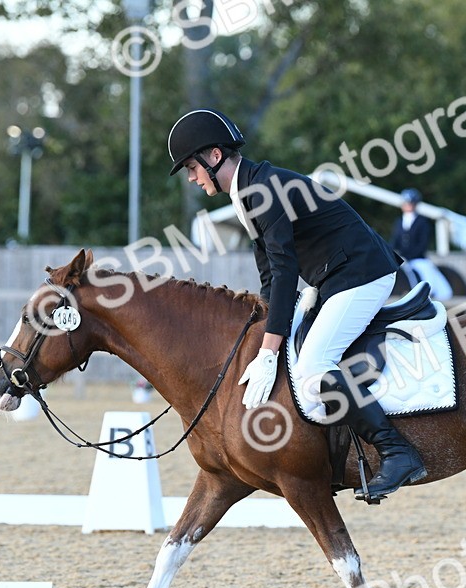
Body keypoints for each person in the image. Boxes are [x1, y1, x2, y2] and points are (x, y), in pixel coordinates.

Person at [166, 108, 426, 499]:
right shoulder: (247, 190)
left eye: (191, 167)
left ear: (214, 156)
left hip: (363, 274)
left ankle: (396, 451)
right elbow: (269, 273)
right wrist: (262, 327)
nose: (191, 177)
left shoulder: (262, 190)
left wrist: (269, 349)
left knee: (313, 368)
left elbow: (286, 270)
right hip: (334, 277)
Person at [388, 189, 453, 301]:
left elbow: (422, 244)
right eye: (406, 203)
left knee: (427, 277)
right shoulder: (399, 222)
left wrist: (407, 256)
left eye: (410, 203)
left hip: (418, 259)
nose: (408, 205)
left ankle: (430, 297)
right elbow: (395, 241)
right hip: (402, 259)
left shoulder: (422, 222)